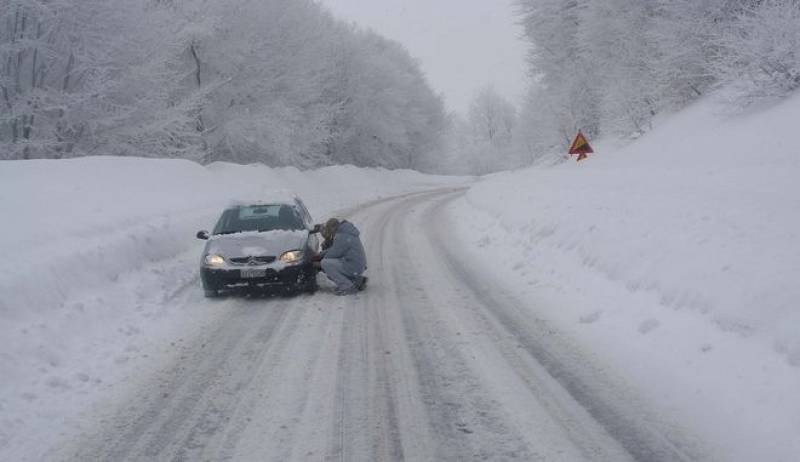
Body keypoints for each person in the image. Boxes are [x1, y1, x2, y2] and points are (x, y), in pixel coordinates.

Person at [317, 218, 367, 295]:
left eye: (330, 230)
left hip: (353, 265)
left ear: (333, 228)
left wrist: (319, 260)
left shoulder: (342, 236)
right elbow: (334, 249)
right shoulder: (346, 232)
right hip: (357, 264)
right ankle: (357, 281)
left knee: (325, 264)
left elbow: (333, 254)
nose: (331, 233)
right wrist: (321, 254)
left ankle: (347, 287)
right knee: (333, 264)